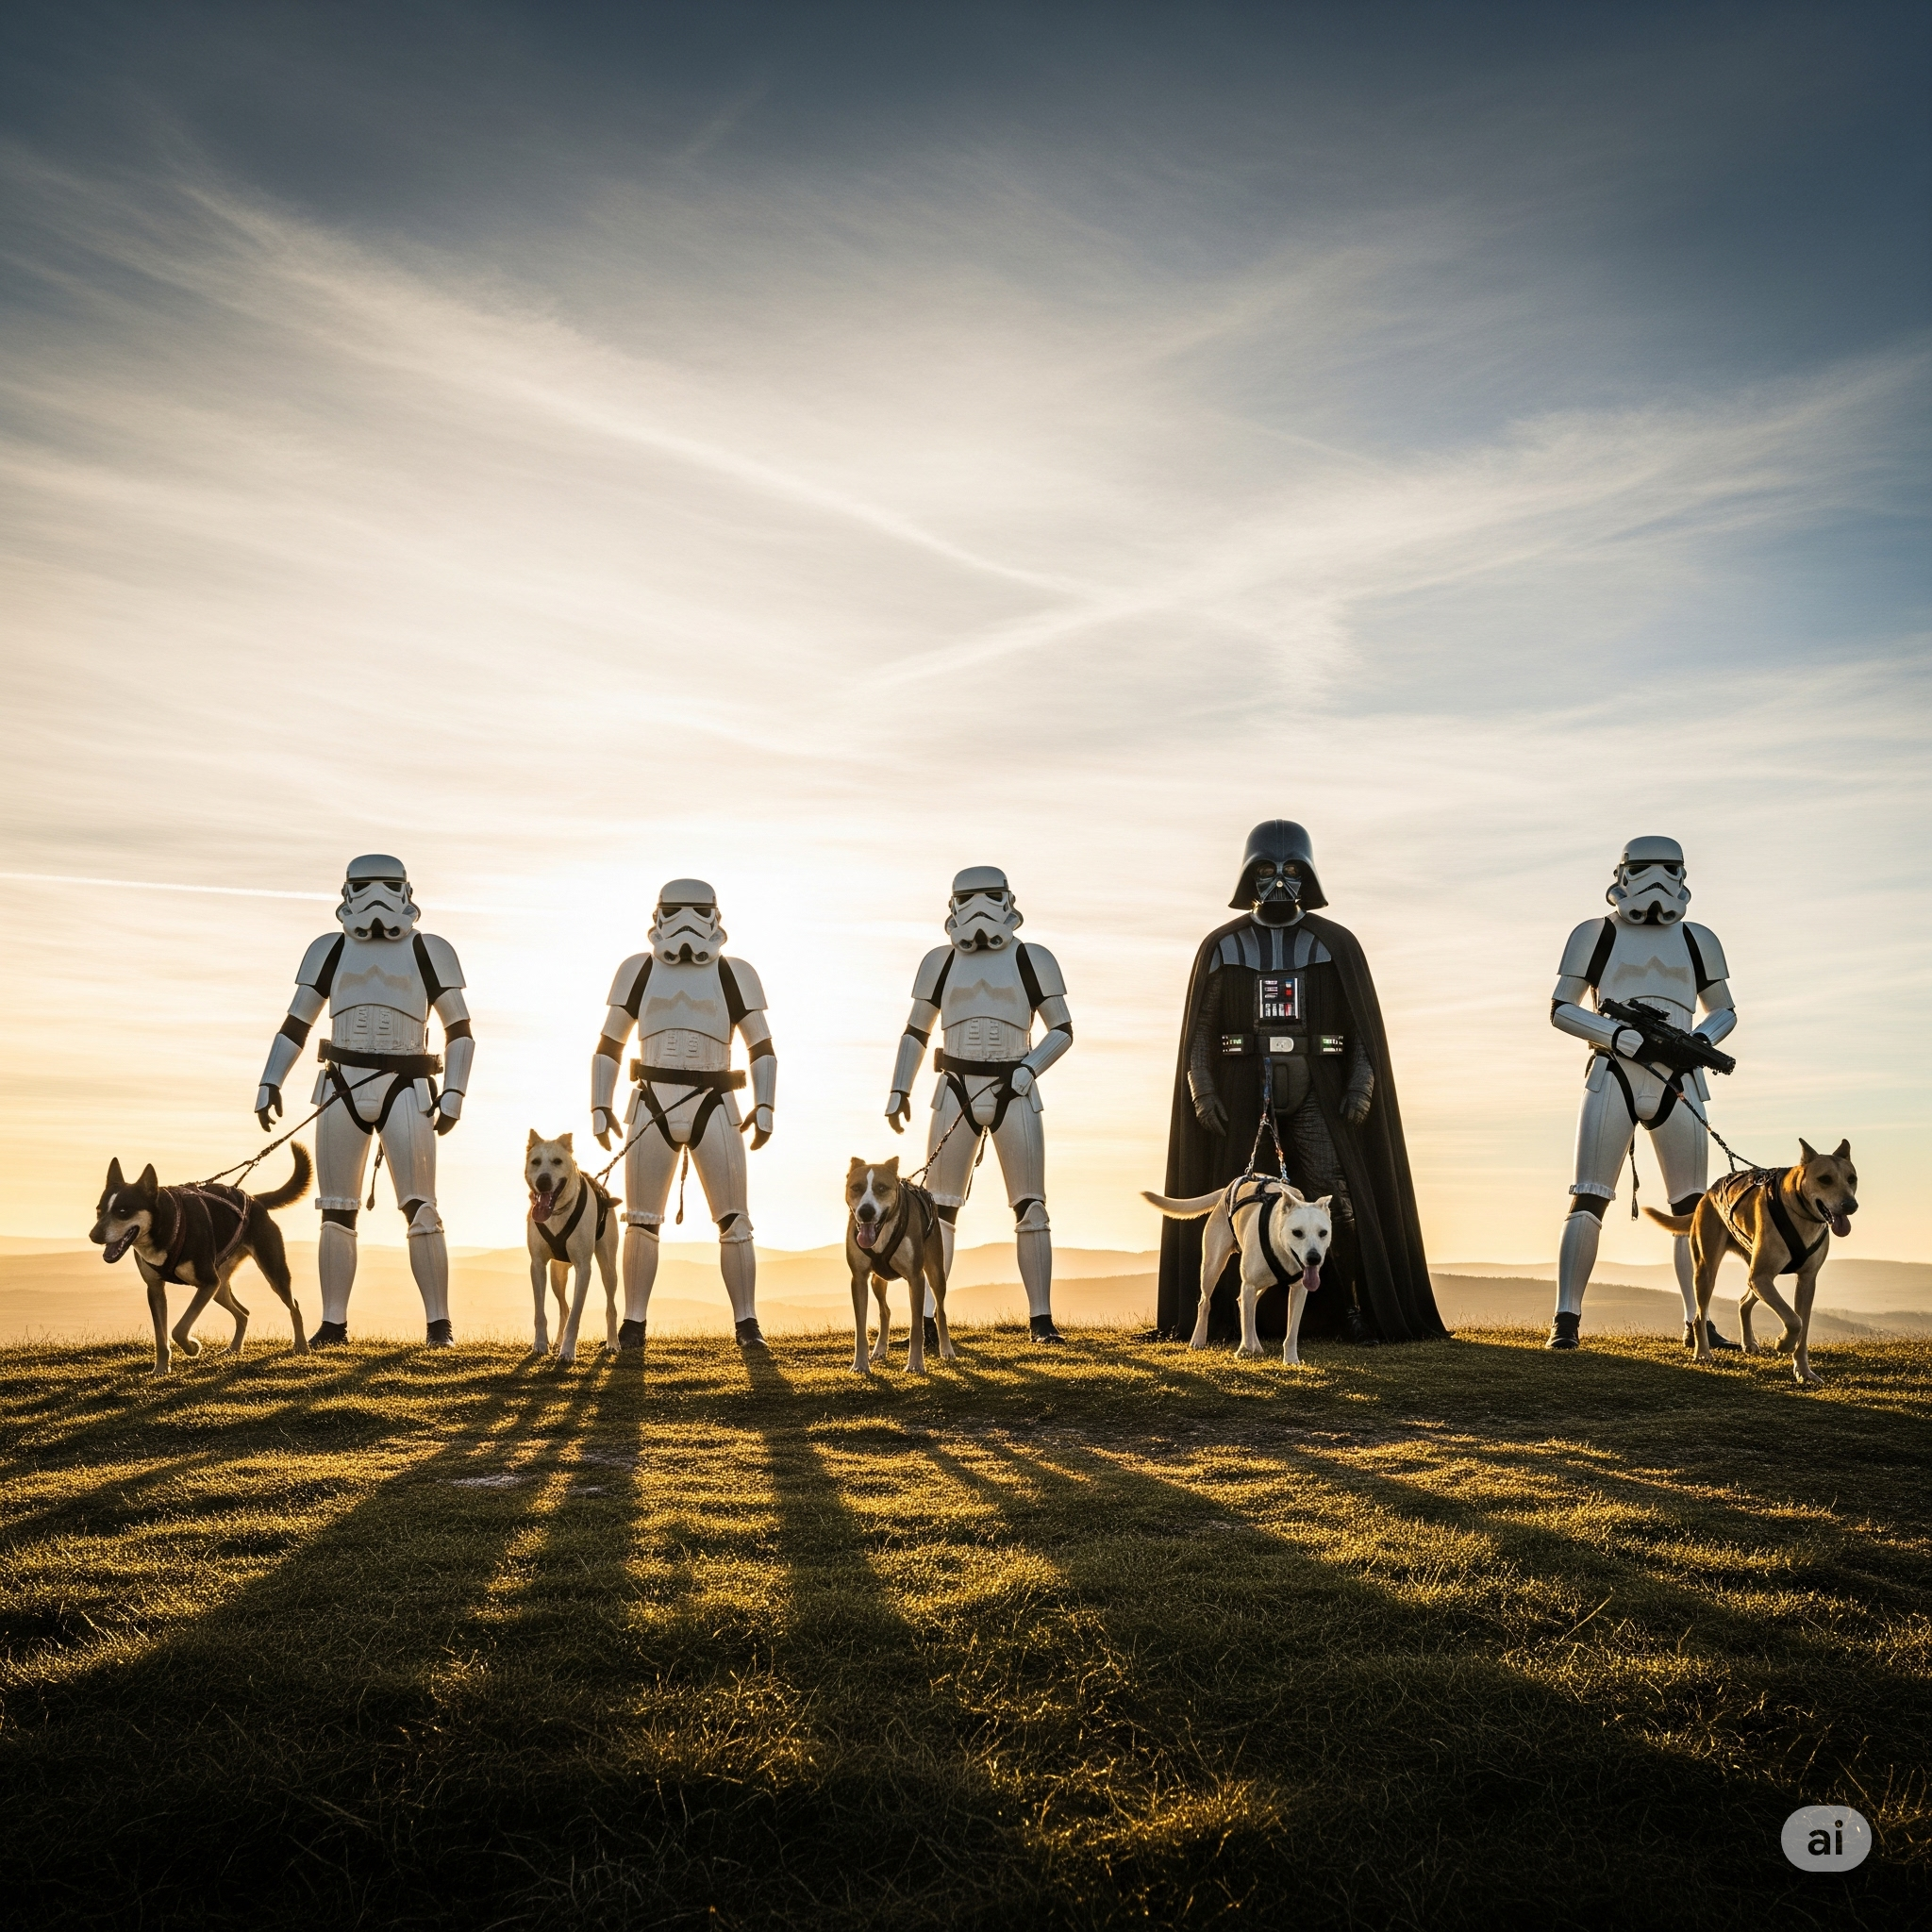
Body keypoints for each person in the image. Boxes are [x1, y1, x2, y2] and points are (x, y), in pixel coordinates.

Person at [1158, 820, 1441, 1344]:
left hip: (1318, 1087)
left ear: (1308, 875)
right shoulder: (1223, 946)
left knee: (1338, 1198)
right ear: (1248, 876)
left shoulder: (1334, 944)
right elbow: (1201, 1030)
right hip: (1242, 1086)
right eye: (1266, 870)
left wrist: (1359, 1086)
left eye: (1291, 870)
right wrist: (1202, 1086)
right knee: (1239, 1199)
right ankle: (1219, 1316)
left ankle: (1351, 1309)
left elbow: (1362, 1030)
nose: (1279, 882)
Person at [254, 854, 473, 1346]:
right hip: (341, 1084)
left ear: (405, 892)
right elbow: (297, 1022)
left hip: (406, 1084)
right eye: (365, 886)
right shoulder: (328, 950)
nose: (376, 897)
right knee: (335, 1209)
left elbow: (459, 1028)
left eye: (386, 886)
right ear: (349, 893)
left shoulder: (429, 951)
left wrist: (456, 1091)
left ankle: (439, 1325)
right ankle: (333, 1324)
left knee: (421, 1208)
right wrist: (271, 1079)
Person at [1547, 836, 1739, 1351]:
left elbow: (1724, 1008)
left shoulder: (1700, 939)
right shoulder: (1594, 935)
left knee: (1692, 1208)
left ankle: (1697, 1323)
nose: (1657, 882)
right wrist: (1614, 1035)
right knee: (1589, 1196)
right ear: (1623, 875)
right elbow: (1562, 1007)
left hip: (1680, 1077)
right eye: (1645, 870)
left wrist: (1701, 1040)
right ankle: (1565, 1322)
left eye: (1667, 870)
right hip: (1614, 1072)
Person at [885, 867, 1074, 1342]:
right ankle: (927, 1319)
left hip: (1016, 1087)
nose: (979, 907)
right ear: (952, 905)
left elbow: (1061, 1029)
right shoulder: (939, 962)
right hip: (955, 1087)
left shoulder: (1033, 958)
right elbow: (916, 1030)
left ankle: (1041, 1319)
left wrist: (1028, 1070)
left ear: (1009, 901)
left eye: (990, 896)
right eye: (969, 897)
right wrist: (898, 1089)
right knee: (940, 1207)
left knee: (1030, 1206)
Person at [591, 880, 776, 1351]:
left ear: (714, 916)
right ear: (659, 916)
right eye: (678, 911)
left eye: (697, 911)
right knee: (641, 1219)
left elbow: (762, 1047)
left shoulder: (735, 975)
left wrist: (766, 1103)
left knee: (734, 1220)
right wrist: (599, 1103)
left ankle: (746, 1322)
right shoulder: (637, 971)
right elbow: (609, 1044)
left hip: (713, 1100)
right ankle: (633, 1324)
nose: (687, 924)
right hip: (654, 1098)